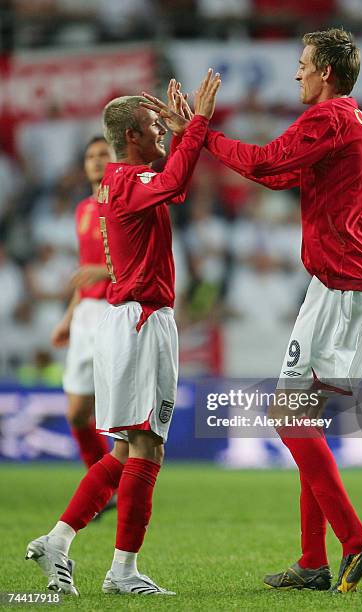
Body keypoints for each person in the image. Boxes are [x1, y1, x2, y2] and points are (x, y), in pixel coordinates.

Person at [145, 28, 362, 595]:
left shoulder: (327, 117)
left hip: (342, 283)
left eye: (303, 64)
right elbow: (280, 174)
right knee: (303, 418)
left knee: (287, 414)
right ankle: (312, 562)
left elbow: (262, 164)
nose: (296, 73)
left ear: (326, 71)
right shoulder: (356, 122)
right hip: (359, 279)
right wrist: (201, 138)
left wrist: (202, 131)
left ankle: (357, 543)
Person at [26, 69, 221, 596]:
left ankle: (59, 540)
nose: (163, 133)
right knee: (148, 447)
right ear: (131, 136)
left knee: (123, 451)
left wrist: (184, 135)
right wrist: (199, 122)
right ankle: (123, 571)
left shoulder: (123, 184)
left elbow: (172, 187)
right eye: (155, 128)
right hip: (141, 320)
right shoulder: (128, 182)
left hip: (128, 319)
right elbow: (177, 183)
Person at [51, 136, 112, 470]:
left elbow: (143, 263)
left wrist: (101, 271)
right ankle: (102, 482)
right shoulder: (83, 209)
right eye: (90, 156)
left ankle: (114, 487)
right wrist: (67, 318)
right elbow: (84, 274)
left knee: (121, 416)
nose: (96, 161)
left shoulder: (123, 202)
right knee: (76, 413)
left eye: (104, 154)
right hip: (86, 313)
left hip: (115, 309)